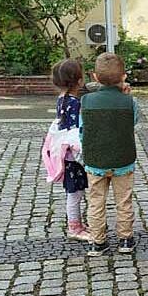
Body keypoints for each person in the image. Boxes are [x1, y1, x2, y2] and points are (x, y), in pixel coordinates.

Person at [80, 53, 140, 256]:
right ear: (123, 76)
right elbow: (133, 121)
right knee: (124, 200)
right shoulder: (130, 102)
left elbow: (82, 129)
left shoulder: (86, 101)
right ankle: (125, 239)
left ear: (95, 77)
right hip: (123, 160)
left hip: (95, 160)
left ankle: (98, 241)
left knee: (96, 201)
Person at [51, 58, 91, 241]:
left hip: (66, 153)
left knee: (76, 191)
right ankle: (74, 227)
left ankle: (78, 223)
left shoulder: (62, 99)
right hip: (73, 155)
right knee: (75, 192)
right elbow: (76, 129)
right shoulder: (75, 103)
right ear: (80, 81)